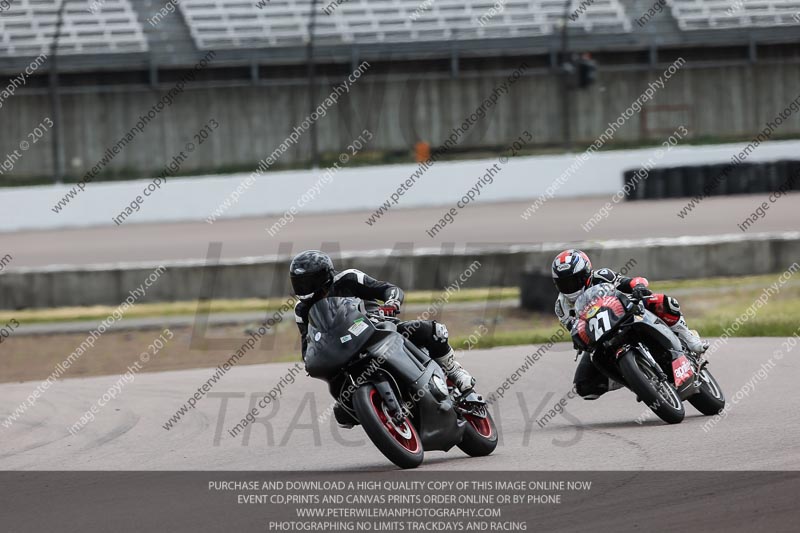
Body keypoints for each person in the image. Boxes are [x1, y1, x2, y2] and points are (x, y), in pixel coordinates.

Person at [289, 250, 475, 424]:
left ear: (325, 275)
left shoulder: (348, 279)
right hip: (343, 350)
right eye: (300, 283)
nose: (306, 288)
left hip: (377, 329)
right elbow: (308, 341)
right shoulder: (301, 309)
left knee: (431, 330)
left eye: (310, 282)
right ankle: (370, 409)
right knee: (342, 410)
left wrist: (391, 302)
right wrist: (310, 358)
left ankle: (454, 372)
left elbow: (387, 289)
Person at [551, 249, 708, 400]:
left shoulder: (602, 275)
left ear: (586, 273)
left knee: (663, 302)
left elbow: (630, 282)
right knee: (584, 386)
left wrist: (638, 287)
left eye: (573, 280)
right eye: (564, 283)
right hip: (600, 335)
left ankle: (689, 338)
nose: (570, 287)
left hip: (625, 312)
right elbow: (574, 330)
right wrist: (579, 340)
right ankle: (637, 379)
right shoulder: (561, 307)